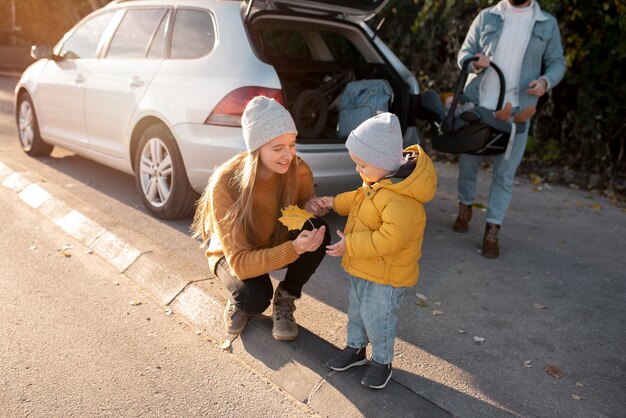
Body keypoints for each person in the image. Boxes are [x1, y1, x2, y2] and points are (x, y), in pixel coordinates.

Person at [192, 96, 331, 341]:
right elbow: (241, 263)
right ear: (256, 149)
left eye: (292, 144)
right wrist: (294, 248)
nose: (288, 155)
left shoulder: (298, 170)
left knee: (318, 229)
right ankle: (238, 299)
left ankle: (286, 297)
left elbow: (300, 210)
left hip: (273, 240)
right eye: (278, 148)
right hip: (234, 254)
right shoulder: (226, 183)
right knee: (254, 299)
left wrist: (309, 207)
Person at [314, 113, 437, 389]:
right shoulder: (376, 181)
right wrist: (332, 202)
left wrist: (350, 245)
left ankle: (382, 361)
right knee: (357, 310)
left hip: (387, 275)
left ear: (382, 161)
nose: (358, 170)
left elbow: (388, 240)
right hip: (363, 266)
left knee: (378, 316)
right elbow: (357, 199)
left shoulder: (403, 200)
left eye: (362, 164)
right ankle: (355, 349)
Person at [453, 0, 566, 258]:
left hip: (517, 111)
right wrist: (474, 62)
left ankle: (492, 230)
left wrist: (546, 82)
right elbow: (464, 54)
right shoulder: (487, 16)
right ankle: (465, 206)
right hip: (478, 107)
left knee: (504, 175)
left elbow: (558, 62)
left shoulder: (547, 24)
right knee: (467, 166)